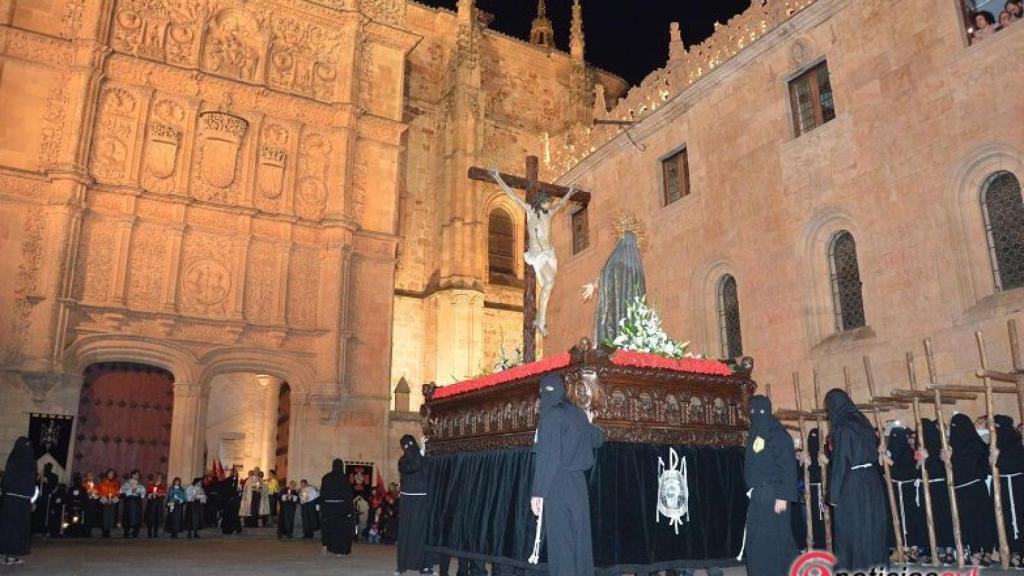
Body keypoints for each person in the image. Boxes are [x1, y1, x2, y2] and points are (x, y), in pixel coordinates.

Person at [531, 373, 604, 576]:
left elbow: (548, 457)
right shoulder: (577, 413)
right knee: (580, 541)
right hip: (578, 484)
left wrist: (538, 492)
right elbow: (598, 439)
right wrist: (589, 424)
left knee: (561, 543)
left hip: (557, 484)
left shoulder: (551, 415)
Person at [490, 167, 578, 336]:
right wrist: (498, 177)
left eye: (549, 203)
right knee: (549, 284)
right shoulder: (531, 212)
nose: (549, 204)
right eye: (547, 202)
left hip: (550, 254)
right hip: (538, 255)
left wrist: (571, 192)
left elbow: (561, 204)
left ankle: (540, 318)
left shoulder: (549, 213)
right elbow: (512, 196)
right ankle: (541, 320)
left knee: (548, 286)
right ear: (540, 201)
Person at [825, 388, 887, 570]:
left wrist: (833, 495)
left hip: (853, 483)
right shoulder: (863, 421)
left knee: (852, 529)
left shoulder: (843, 426)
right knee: (871, 527)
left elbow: (841, 461)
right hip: (871, 480)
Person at [743, 395, 799, 576]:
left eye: (760, 411)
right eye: (752, 411)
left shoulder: (777, 434)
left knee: (776, 538)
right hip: (759, 495)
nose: (756, 415)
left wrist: (783, 496)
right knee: (757, 539)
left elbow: (788, 466)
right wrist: (751, 488)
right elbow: (751, 464)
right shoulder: (755, 433)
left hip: (776, 494)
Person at [580, 231, 646, 345]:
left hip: (617, 315)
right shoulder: (638, 269)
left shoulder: (615, 261)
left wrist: (594, 285)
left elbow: (606, 275)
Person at [949, 413, 998, 566]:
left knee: (983, 520)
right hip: (960, 489)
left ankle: (988, 552)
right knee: (968, 523)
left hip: (976, 487)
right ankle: (975, 551)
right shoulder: (952, 446)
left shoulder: (976, 444)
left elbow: (982, 465)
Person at [920, 418, 956, 564]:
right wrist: (921, 459)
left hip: (941, 487)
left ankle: (948, 550)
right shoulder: (920, 448)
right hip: (926, 487)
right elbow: (916, 468)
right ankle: (934, 549)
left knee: (944, 518)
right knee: (930, 519)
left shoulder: (943, 446)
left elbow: (947, 467)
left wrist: (940, 457)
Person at [888, 426, 926, 563]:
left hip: (907, 490)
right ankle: (902, 548)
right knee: (898, 519)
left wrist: (890, 463)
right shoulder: (890, 452)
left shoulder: (909, 453)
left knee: (909, 518)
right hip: (896, 491)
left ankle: (912, 548)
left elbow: (905, 471)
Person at [396, 436, 431, 574]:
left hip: (421, 499)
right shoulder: (403, 461)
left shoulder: (425, 458)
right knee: (405, 533)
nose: (408, 448)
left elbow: (428, 473)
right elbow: (413, 466)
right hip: (407, 500)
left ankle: (422, 565)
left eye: (410, 444)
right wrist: (421, 451)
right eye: (405, 446)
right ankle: (402, 565)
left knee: (420, 533)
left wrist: (423, 452)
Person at [0, 437, 38, 565]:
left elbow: (30, 481)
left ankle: (11, 554)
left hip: (22, 502)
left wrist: (31, 497)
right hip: (11, 501)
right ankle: (2, 554)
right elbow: (8, 481)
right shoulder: (14, 460)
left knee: (18, 531)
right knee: (8, 529)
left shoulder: (28, 461)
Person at [994, 414, 1024, 567]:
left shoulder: (1015, 442)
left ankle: (1018, 552)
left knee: (1017, 519)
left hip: (1015, 484)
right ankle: (1012, 551)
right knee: (1006, 518)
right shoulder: (997, 442)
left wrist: (997, 458)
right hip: (1004, 484)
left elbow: (1012, 463)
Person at [320, 459, 355, 556]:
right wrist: (350, 508)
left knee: (328, 527)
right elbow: (348, 494)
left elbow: (322, 492)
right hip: (341, 508)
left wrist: (322, 505)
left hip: (328, 507)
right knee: (340, 529)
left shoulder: (326, 477)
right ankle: (339, 550)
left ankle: (325, 545)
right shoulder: (344, 478)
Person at [119, 469, 146, 538]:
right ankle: (126, 532)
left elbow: (143, 494)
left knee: (137, 517)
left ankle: (135, 533)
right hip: (129, 501)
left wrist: (140, 493)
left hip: (137, 502)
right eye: (135, 474)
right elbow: (121, 493)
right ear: (132, 475)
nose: (136, 476)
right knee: (127, 517)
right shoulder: (126, 483)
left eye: (138, 475)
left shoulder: (140, 484)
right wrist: (130, 491)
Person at [96, 468, 121, 538]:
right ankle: (103, 531)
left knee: (111, 516)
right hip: (104, 501)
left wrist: (113, 500)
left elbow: (118, 493)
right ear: (107, 474)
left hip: (112, 501)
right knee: (104, 516)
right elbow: (99, 491)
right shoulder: (102, 482)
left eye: (112, 474)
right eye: (110, 473)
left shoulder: (116, 483)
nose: (111, 475)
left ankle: (108, 530)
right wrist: (105, 500)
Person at [220, 469, 243, 535]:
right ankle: (227, 530)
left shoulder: (238, 480)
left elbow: (239, 490)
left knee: (234, 515)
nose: (234, 473)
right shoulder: (227, 480)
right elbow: (224, 490)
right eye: (233, 472)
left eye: (236, 472)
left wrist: (238, 490)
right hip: (227, 501)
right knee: (227, 515)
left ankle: (236, 529)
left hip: (234, 501)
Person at [145, 473, 167, 538]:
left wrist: (162, 495)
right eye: (158, 477)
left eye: (160, 478)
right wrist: (151, 495)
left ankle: (155, 533)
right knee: (150, 519)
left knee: (157, 519)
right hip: (151, 504)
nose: (159, 479)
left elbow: (164, 493)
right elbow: (147, 494)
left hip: (159, 504)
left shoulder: (162, 486)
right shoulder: (151, 485)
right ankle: (149, 533)